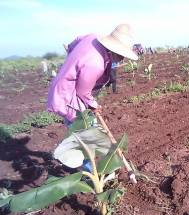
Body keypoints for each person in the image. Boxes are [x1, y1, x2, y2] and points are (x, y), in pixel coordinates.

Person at [47, 24, 138, 172]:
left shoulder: (91, 38)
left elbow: (73, 43)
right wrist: (94, 105)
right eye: (121, 55)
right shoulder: (95, 63)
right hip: (69, 97)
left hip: (66, 86)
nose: (121, 59)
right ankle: (90, 171)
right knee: (86, 134)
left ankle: (90, 164)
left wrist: (73, 59)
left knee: (87, 133)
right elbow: (83, 92)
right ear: (114, 50)